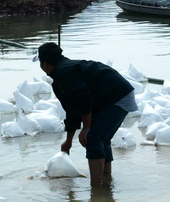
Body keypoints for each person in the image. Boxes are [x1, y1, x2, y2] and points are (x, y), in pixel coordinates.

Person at [35, 42, 137, 187]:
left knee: (93, 138)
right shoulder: (62, 73)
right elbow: (71, 109)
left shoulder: (65, 72)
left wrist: (86, 128)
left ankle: (96, 191)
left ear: (43, 63)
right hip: (115, 95)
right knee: (102, 139)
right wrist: (68, 141)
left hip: (116, 96)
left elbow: (84, 99)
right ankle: (106, 181)